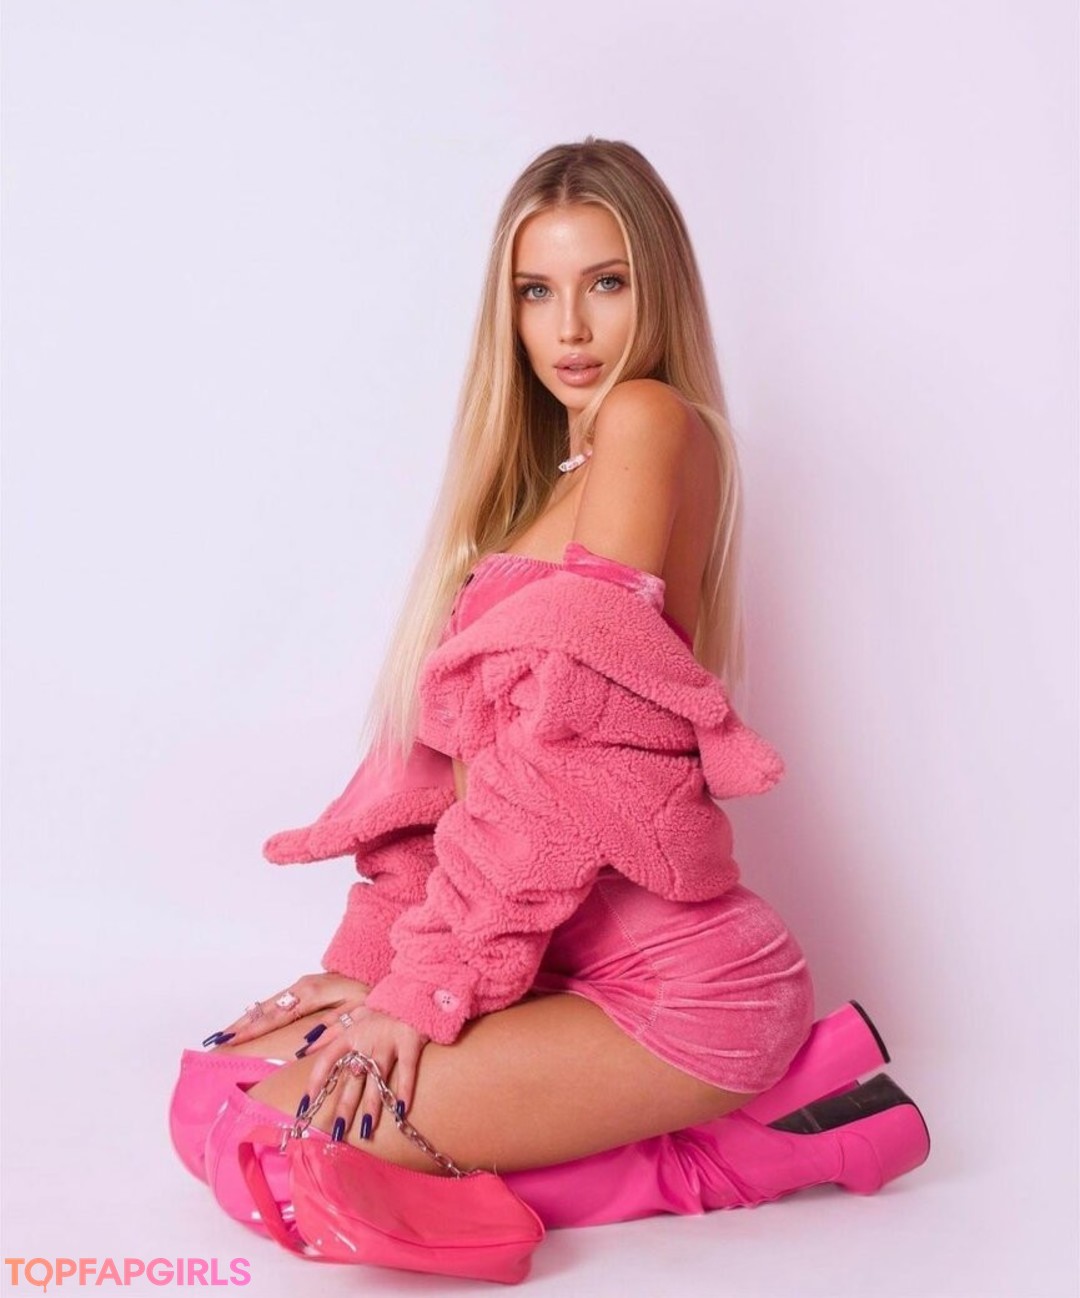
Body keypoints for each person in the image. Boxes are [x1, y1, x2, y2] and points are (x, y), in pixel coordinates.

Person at [170, 138, 929, 1245]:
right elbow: (435, 782)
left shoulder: (647, 418)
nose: (570, 328)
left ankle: (760, 1144)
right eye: (536, 291)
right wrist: (368, 970)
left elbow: (566, 761)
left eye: (605, 283)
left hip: (680, 990)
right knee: (210, 1094)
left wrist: (422, 991)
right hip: (545, 966)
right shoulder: (527, 497)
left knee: (274, 1152)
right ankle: (789, 1107)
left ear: (657, 289)